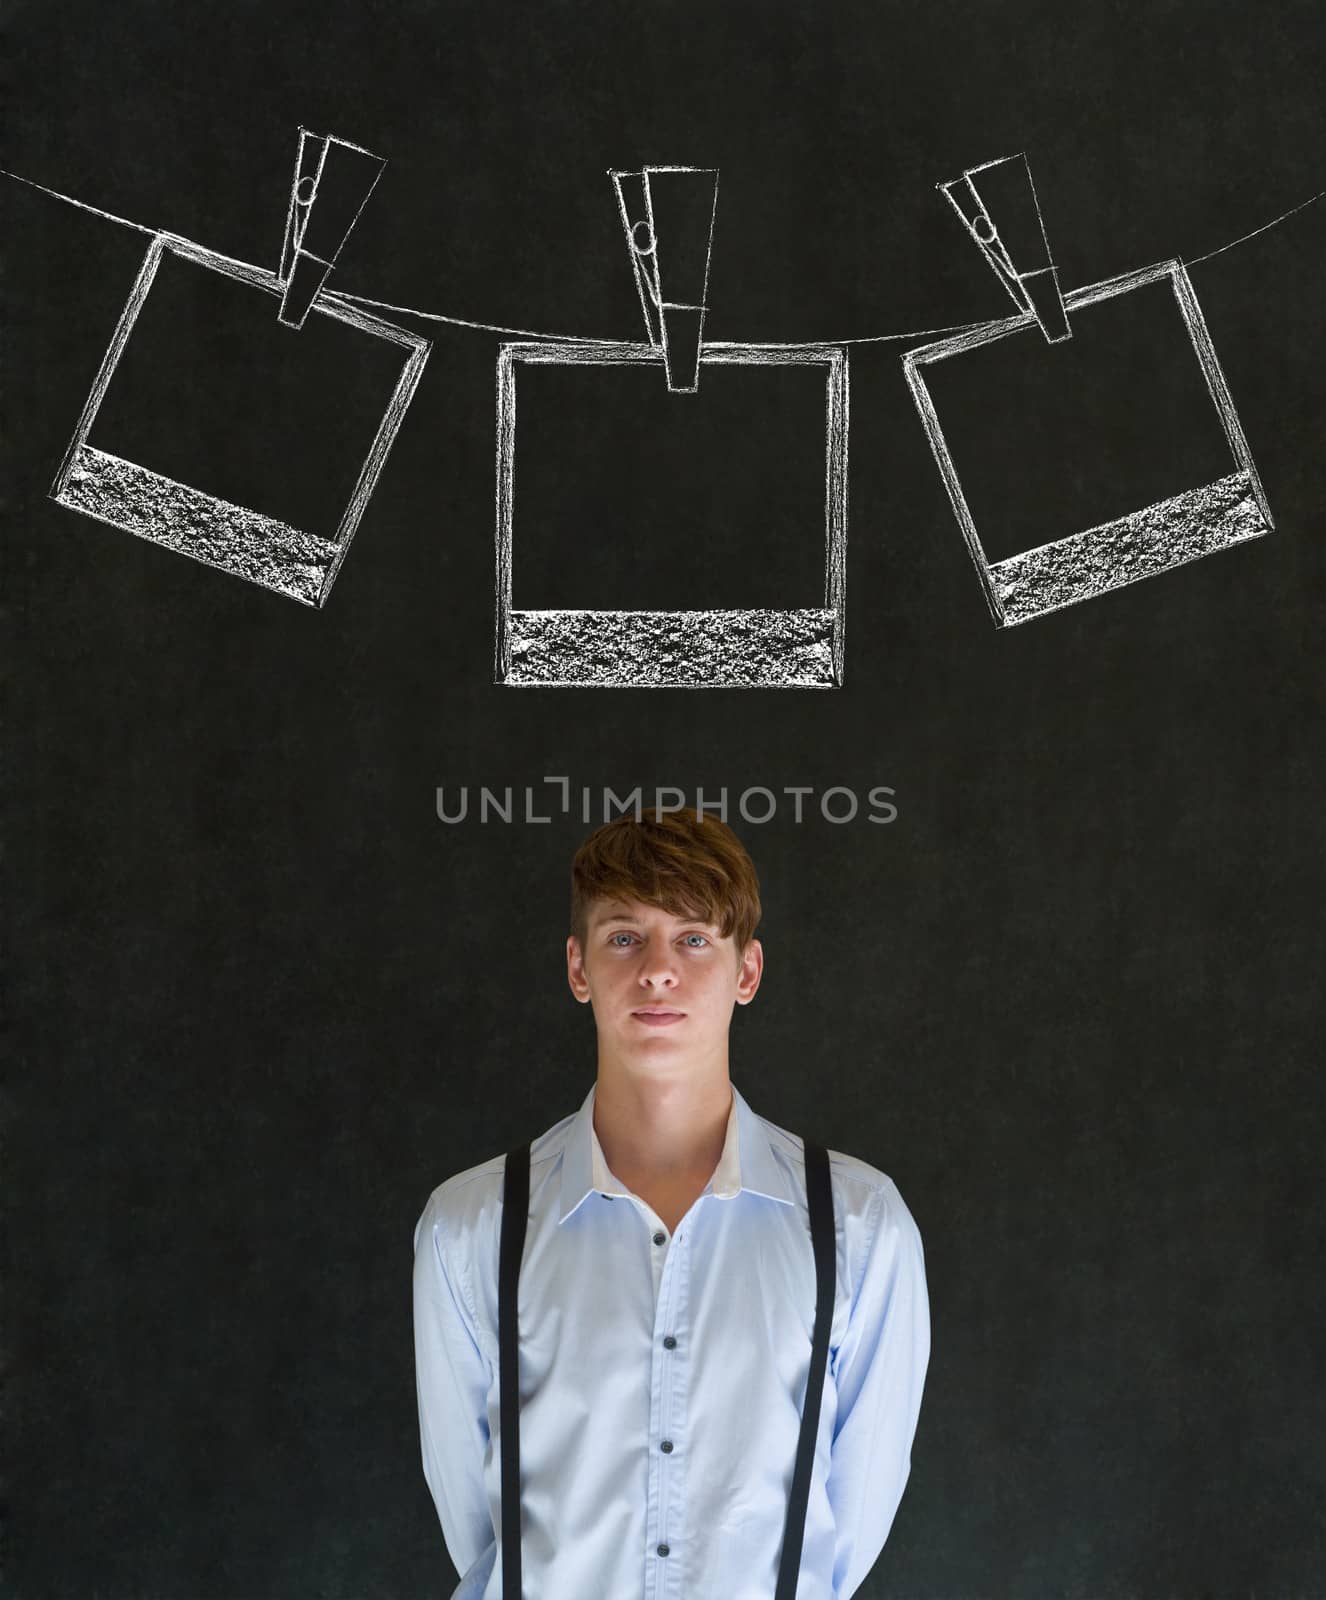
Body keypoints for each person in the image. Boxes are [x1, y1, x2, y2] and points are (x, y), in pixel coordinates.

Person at [412, 807, 930, 1598]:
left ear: (746, 972)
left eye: (693, 939)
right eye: (625, 937)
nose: (658, 971)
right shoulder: (472, 1226)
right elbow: (476, 1527)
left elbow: (849, 1529)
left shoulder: (858, 1225)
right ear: (578, 967)